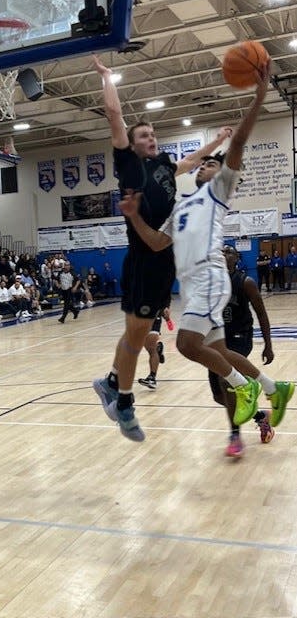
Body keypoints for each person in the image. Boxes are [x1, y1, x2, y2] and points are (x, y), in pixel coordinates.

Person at [119, 59, 294, 440]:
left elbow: (241, 141)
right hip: (194, 285)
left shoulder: (219, 192)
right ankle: (271, 387)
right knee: (220, 352)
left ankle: (245, 388)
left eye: (215, 164)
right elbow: (155, 242)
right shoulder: (179, 207)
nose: (208, 166)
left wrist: (260, 95)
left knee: (185, 345)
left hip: (211, 276)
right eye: (205, 164)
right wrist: (133, 216)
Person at [91, 53, 233, 441]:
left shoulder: (164, 164)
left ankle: (111, 385)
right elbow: (112, 113)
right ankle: (121, 401)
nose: (150, 139)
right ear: (132, 146)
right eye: (143, 136)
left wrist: (218, 141)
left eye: (152, 134)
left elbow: (189, 161)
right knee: (136, 339)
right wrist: (108, 77)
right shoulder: (129, 166)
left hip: (164, 261)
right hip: (143, 260)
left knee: (137, 338)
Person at [211, 245, 275, 458]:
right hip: (217, 341)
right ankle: (260, 416)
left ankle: (235, 436)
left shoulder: (245, 282)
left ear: (236, 258)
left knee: (226, 382)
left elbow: (262, 315)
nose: (223, 254)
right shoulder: (211, 284)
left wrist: (268, 344)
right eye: (221, 251)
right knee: (220, 396)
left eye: (228, 252)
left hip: (240, 338)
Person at [138, 303, 171, 390]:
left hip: (154, 318)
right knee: (150, 349)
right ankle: (158, 349)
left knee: (152, 349)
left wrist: (165, 309)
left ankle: (152, 378)